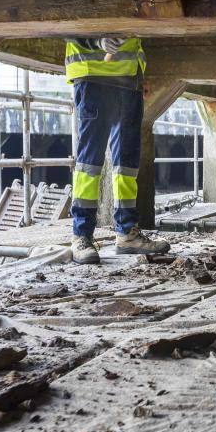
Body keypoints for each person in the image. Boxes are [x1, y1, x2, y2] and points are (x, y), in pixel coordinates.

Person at [65, 37, 170, 264]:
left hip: (128, 81)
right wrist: (95, 42)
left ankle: (127, 233)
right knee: (89, 163)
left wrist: (139, 77)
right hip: (92, 75)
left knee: (127, 163)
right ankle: (81, 236)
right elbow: (60, 20)